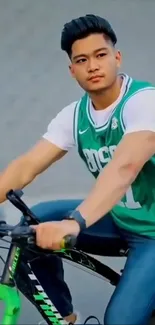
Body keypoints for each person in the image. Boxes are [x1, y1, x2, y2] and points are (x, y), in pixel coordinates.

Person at [1, 13, 155, 325]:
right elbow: (27, 166)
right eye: (82, 60)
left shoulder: (144, 102)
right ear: (72, 70)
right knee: (30, 228)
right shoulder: (74, 116)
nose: (93, 66)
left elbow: (124, 167)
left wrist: (75, 223)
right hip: (120, 219)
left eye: (100, 55)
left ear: (117, 57)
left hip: (153, 232)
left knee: (121, 321)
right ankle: (67, 319)